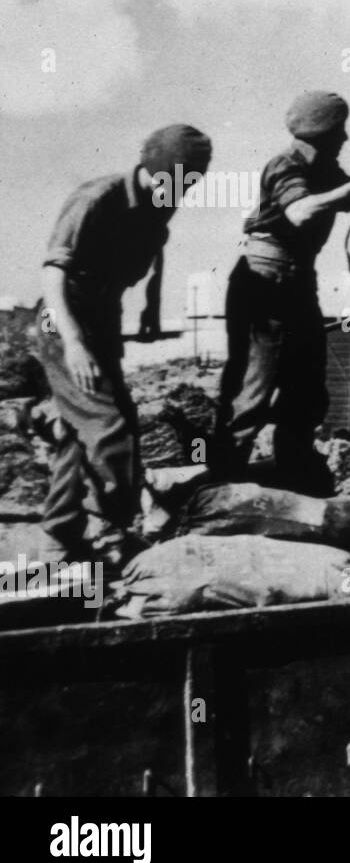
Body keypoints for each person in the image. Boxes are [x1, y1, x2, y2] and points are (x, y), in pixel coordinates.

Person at [35, 124, 213, 570]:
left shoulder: (161, 203)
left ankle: (62, 537)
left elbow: (158, 246)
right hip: (62, 319)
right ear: (158, 172)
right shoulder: (96, 199)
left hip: (103, 320)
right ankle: (114, 531)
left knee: (90, 431)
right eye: (181, 181)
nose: (184, 193)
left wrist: (152, 305)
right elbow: (53, 275)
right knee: (109, 431)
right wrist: (74, 345)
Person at [211, 91, 350, 496]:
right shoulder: (285, 166)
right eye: (340, 131)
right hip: (265, 280)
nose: (346, 139)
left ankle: (294, 475)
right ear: (324, 133)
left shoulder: (325, 169)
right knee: (252, 391)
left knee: (307, 389)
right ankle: (218, 486)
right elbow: (301, 211)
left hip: (299, 280)